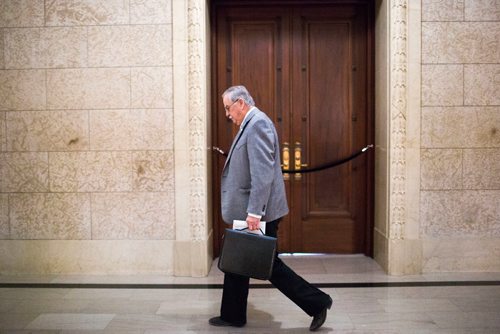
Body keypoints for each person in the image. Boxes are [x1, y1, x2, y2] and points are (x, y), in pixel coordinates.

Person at [209, 85, 332, 331]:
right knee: (238, 261)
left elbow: (263, 174)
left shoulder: (257, 125)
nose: (227, 114)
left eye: (228, 108)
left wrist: (254, 212)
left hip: (258, 212)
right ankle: (232, 315)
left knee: (269, 266)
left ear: (241, 103)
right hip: (251, 210)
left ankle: (317, 302)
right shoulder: (251, 123)